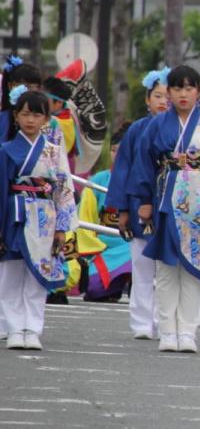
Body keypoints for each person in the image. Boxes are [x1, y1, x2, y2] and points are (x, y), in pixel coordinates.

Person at [130, 66, 200, 353]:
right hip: (166, 200)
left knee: (192, 269)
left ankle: (187, 331)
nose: (183, 94)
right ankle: (167, 331)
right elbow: (144, 163)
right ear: (170, 93)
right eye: (177, 88)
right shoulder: (158, 124)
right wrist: (145, 202)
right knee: (165, 269)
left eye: (189, 88)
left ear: (199, 92)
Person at [0, 89, 75, 351]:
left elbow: (64, 189)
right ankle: (13, 328)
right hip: (14, 215)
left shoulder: (54, 151)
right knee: (11, 274)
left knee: (37, 276)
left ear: (46, 119)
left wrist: (63, 227)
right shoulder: (6, 150)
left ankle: (32, 328)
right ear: (16, 116)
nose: (30, 120)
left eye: (36, 114)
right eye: (25, 114)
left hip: (45, 218)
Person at [107, 68, 171, 339]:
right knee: (142, 265)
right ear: (147, 99)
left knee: (167, 270)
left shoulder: (182, 129)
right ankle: (142, 323)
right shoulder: (136, 131)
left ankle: (164, 322)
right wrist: (122, 209)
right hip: (139, 205)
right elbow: (122, 170)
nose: (163, 100)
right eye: (157, 95)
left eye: (168, 95)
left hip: (171, 204)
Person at [75, 120, 134, 302]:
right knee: (95, 290)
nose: (117, 155)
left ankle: (132, 283)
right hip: (103, 246)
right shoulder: (99, 180)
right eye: (114, 150)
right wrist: (93, 247)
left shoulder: (141, 180)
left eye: (123, 151)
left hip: (130, 244)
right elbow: (85, 218)